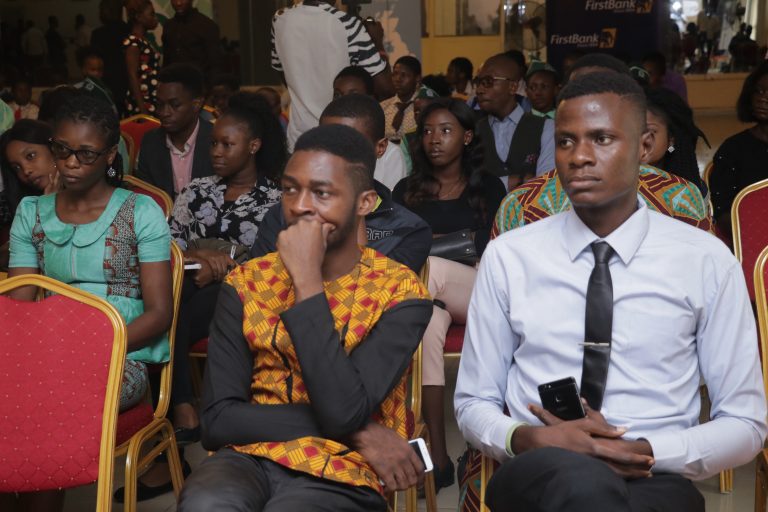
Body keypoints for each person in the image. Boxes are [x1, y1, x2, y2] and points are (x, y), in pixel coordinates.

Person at [455, 71, 766, 512]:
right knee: (582, 486)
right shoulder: (510, 257)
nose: (579, 157)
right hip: (540, 467)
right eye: (566, 141)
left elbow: (745, 423)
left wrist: (645, 451)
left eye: (601, 139)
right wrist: (528, 437)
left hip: (654, 472)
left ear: (644, 146)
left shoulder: (705, 261)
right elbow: (473, 401)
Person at [176, 123, 433, 511]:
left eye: (321, 193)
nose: (298, 206)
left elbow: (343, 410)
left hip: (344, 467)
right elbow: (217, 421)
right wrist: (363, 433)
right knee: (205, 505)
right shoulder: (247, 281)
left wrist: (306, 280)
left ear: (364, 203)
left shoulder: (399, 291)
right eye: (290, 189)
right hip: (248, 456)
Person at [3, 93, 173, 511]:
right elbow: (18, 307)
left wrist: (89, 351)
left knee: (46, 405)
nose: (70, 163)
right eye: (61, 150)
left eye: (86, 153)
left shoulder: (140, 212)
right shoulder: (31, 212)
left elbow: (160, 313)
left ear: (110, 154)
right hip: (46, 355)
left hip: (121, 358)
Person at [392, 98, 506, 493]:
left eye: (445, 130)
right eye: (427, 131)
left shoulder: (489, 186)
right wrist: (457, 240)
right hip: (426, 295)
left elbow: (492, 246)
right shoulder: (406, 189)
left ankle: (381, 369)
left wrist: (427, 244)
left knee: (431, 270)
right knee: (426, 326)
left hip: (478, 289)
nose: (434, 139)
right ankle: (437, 458)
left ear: (467, 136)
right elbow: (394, 247)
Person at [251, 93, 431, 274]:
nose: (332, 155)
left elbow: (376, 288)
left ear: (380, 147)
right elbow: (258, 281)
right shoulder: (284, 214)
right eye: (325, 143)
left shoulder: (407, 230)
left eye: (348, 146)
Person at [271, 0, 392, 151]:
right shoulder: (347, 23)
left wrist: (305, 89)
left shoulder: (280, 20)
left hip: (299, 139)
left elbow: (282, 72)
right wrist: (377, 41)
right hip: (341, 140)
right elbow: (385, 88)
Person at [474, 53, 555, 190]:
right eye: (478, 82)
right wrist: (517, 181)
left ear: (512, 87)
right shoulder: (472, 130)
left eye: (488, 82)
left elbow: (547, 185)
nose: (479, 90)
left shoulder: (546, 127)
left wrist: (491, 186)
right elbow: (467, 185)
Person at [135, 64, 213, 199]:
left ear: (197, 104)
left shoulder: (217, 140)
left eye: (174, 105)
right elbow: (144, 197)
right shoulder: (150, 143)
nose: (164, 112)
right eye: (160, 104)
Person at [710, 61, 768, 237]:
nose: (762, 98)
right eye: (758, 91)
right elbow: (722, 211)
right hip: (748, 241)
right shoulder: (733, 149)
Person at [0, 120, 60, 269]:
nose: (26, 171)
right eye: (17, 167)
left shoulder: (91, 191)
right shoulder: (25, 205)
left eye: (30, 156)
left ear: (54, 148)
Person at [644, 86, 707, 195]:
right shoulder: (617, 185)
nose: (639, 139)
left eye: (649, 132)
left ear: (671, 140)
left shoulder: (688, 190)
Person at [162, 0, 223, 78]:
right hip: (173, 82)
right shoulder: (168, 26)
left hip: (199, 82)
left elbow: (215, 64)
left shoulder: (207, 26)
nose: (178, 3)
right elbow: (166, 61)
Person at [90, 0, 130, 117]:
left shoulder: (98, 34)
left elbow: (94, 61)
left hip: (106, 84)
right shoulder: (129, 30)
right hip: (127, 83)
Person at [123, 0, 160, 116]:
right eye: (151, 14)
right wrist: (142, 109)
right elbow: (132, 75)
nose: (155, 18)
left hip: (150, 98)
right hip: (142, 102)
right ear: (139, 17)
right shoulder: (133, 42)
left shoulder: (143, 40)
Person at [381, 56, 422, 141]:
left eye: (404, 75)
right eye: (395, 74)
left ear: (417, 78)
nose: (398, 79)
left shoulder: (422, 106)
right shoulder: (383, 107)